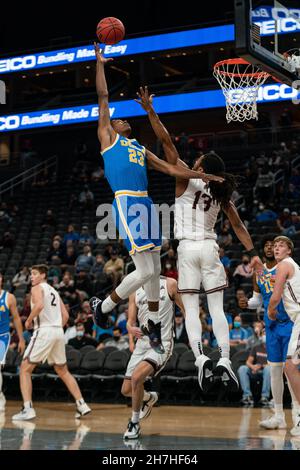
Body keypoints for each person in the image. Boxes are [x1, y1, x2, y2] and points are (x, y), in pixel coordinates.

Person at [89, 43, 222, 356]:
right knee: (147, 271)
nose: (122, 121)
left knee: (156, 266)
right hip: (127, 202)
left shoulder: (138, 148)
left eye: (123, 120)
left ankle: (151, 326)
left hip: (147, 204)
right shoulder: (108, 138)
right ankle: (105, 305)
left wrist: (203, 176)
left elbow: (168, 167)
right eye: (118, 120)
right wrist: (99, 64)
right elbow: (103, 97)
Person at [135, 86, 263, 392]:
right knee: (217, 309)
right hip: (209, 247)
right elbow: (239, 226)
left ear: (202, 168)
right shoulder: (220, 194)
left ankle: (200, 360)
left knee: (192, 309)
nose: (194, 162)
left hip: (187, 249)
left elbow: (166, 141)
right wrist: (254, 252)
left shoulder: (184, 178)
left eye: (199, 160)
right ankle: (225, 360)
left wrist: (150, 112)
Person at [12, 265, 91, 421]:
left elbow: (40, 305)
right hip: (58, 331)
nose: (32, 277)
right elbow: (66, 316)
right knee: (62, 370)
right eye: (31, 274)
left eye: (34, 274)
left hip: (45, 330)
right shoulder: (54, 291)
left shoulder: (36, 288)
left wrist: (28, 320)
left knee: (25, 369)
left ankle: (28, 409)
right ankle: (82, 404)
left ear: (43, 275)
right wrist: (55, 328)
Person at [239, 237, 295, 430]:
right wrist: (247, 303)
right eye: (268, 245)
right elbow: (257, 300)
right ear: (263, 250)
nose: (271, 247)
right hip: (271, 326)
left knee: (292, 371)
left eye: (275, 245)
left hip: (289, 322)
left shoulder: (284, 267)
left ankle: (296, 416)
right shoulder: (259, 272)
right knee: (275, 370)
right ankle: (279, 416)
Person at [121, 275, 184, 439]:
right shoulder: (134, 289)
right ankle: (149, 398)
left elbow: (186, 310)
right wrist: (130, 330)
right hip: (142, 343)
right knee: (126, 390)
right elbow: (130, 321)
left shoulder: (170, 284)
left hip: (161, 343)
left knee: (136, 378)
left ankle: (134, 424)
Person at [268, 236, 300, 436]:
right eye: (275, 245)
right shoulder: (291, 267)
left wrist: (271, 310)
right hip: (297, 320)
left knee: (289, 366)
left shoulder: (284, 265)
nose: (276, 248)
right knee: (291, 366)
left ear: (289, 250)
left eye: (281, 245)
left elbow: (276, 295)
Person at [0, 272, 25, 412]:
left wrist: (21, 339)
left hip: (2, 336)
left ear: (1, 279)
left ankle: (0, 400)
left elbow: (16, 318)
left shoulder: (9, 297)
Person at [238, 333, 271, 407]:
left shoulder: (273, 348)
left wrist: (261, 366)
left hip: (265, 371)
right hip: (255, 371)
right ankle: (247, 396)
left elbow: (273, 364)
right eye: (263, 334)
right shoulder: (256, 347)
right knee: (242, 368)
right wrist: (252, 367)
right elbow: (248, 362)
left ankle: (264, 397)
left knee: (268, 369)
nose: (264, 336)